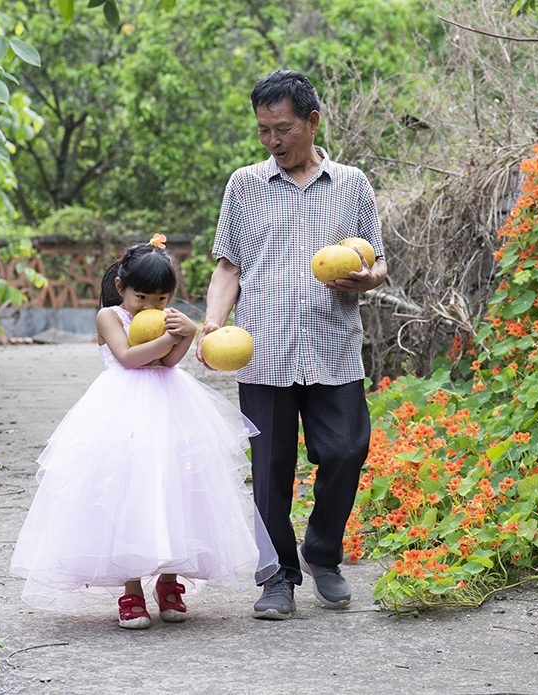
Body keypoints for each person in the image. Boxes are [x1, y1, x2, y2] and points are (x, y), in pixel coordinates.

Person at [11, 236, 278, 629]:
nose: (151, 307)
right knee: (127, 490)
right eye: (142, 298)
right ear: (121, 287)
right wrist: (170, 335)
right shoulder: (110, 316)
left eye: (161, 299)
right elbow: (129, 358)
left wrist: (186, 334)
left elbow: (168, 363)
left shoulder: (165, 316)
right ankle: (131, 589)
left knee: (176, 486)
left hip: (171, 404)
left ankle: (169, 583)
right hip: (122, 408)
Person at [197, 70, 387, 620]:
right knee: (270, 471)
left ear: (312, 121)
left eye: (282, 129)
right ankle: (278, 576)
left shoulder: (352, 183)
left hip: (333, 349)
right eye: (263, 131)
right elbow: (228, 265)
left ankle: (323, 554)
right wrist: (213, 325)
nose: (272, 141)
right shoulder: (244, 184)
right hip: (264, 352)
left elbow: (376, 259)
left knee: (347, 451)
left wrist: (368, 280)